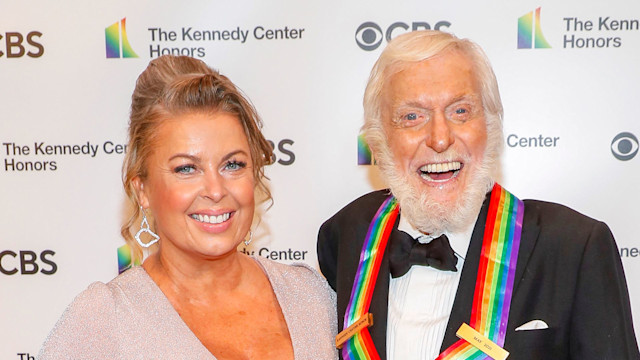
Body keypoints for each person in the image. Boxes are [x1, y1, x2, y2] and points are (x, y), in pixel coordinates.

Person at [318, 30, 640, 360]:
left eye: (460, 111)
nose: (440, 139)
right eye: (412, 117)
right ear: (380, 139)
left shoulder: (573, 247)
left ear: (491, 124)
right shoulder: (347, 234)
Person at [39, 55, 337, 359]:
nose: (216, 190)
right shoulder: (102, 323)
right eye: (186, 169)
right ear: (142, 188)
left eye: (232, 164)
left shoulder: (310, 298)